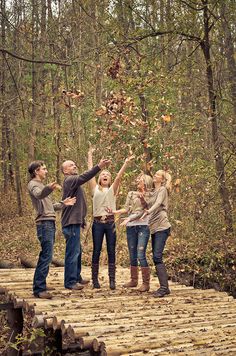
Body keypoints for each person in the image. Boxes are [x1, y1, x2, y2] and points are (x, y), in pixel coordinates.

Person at [28, 160, 76, 299]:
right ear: (36, 171)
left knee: (47, 254)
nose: (46, 171)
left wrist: (63, 203)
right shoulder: (33, 185)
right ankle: (39, 288)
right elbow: (39, 194)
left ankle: (41, 283)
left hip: (49, 222)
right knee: (47, 255)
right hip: (44, 224)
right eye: (44, 169)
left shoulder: (41, 185)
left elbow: (50, 206)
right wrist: (49, 188)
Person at [88, 146, 134, 290]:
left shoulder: (112, 189)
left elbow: (119, 176)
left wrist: (126, 163)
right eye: (103, 174)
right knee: (96, 250)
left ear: (110, 178)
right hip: (97, 223)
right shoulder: (95, 188)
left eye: (108, 174)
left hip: (109, 223)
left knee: (111, 250)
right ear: (100, 178)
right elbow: (90, 173)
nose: (105, 175)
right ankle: (95, 280)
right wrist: (90, 154)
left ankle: (112, 280)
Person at [61, 157, 110, 290]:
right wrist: (98, 166)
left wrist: (81, 221)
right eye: (71, 165)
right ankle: (70, 282)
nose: (74, 166)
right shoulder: (70, 180)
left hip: (75, 222)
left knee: (77, 251)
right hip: (70, 224)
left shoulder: (73, 183)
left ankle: (76, 277)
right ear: (65, 171)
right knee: (72, 252)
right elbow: (84, 177)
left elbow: (78, 206)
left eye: (74, 164)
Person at [113, 174, 154, 292]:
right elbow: (126, 209)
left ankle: (146, 283)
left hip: (143, 226)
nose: (137, 181)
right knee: (132, 254)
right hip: (130, 226)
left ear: (145, 182)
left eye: (140, 180)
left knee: (141, 253)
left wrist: (142, 198)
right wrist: (115, 211)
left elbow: (146, 209)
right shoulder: (131, 193)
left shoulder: (151, 195)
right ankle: (134, 280)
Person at [141, 170, 172, 298]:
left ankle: (164, 288)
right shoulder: (153, 192)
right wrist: (142, 199)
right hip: (154, 227)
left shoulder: (163, 190)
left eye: (158, 175)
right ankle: (165, 287)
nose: (155, 175)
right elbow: (147, 205)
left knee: (157, 257)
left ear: (162, 179)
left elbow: (158, 204)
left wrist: (148, 212)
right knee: (155, 256)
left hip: (162, 226)